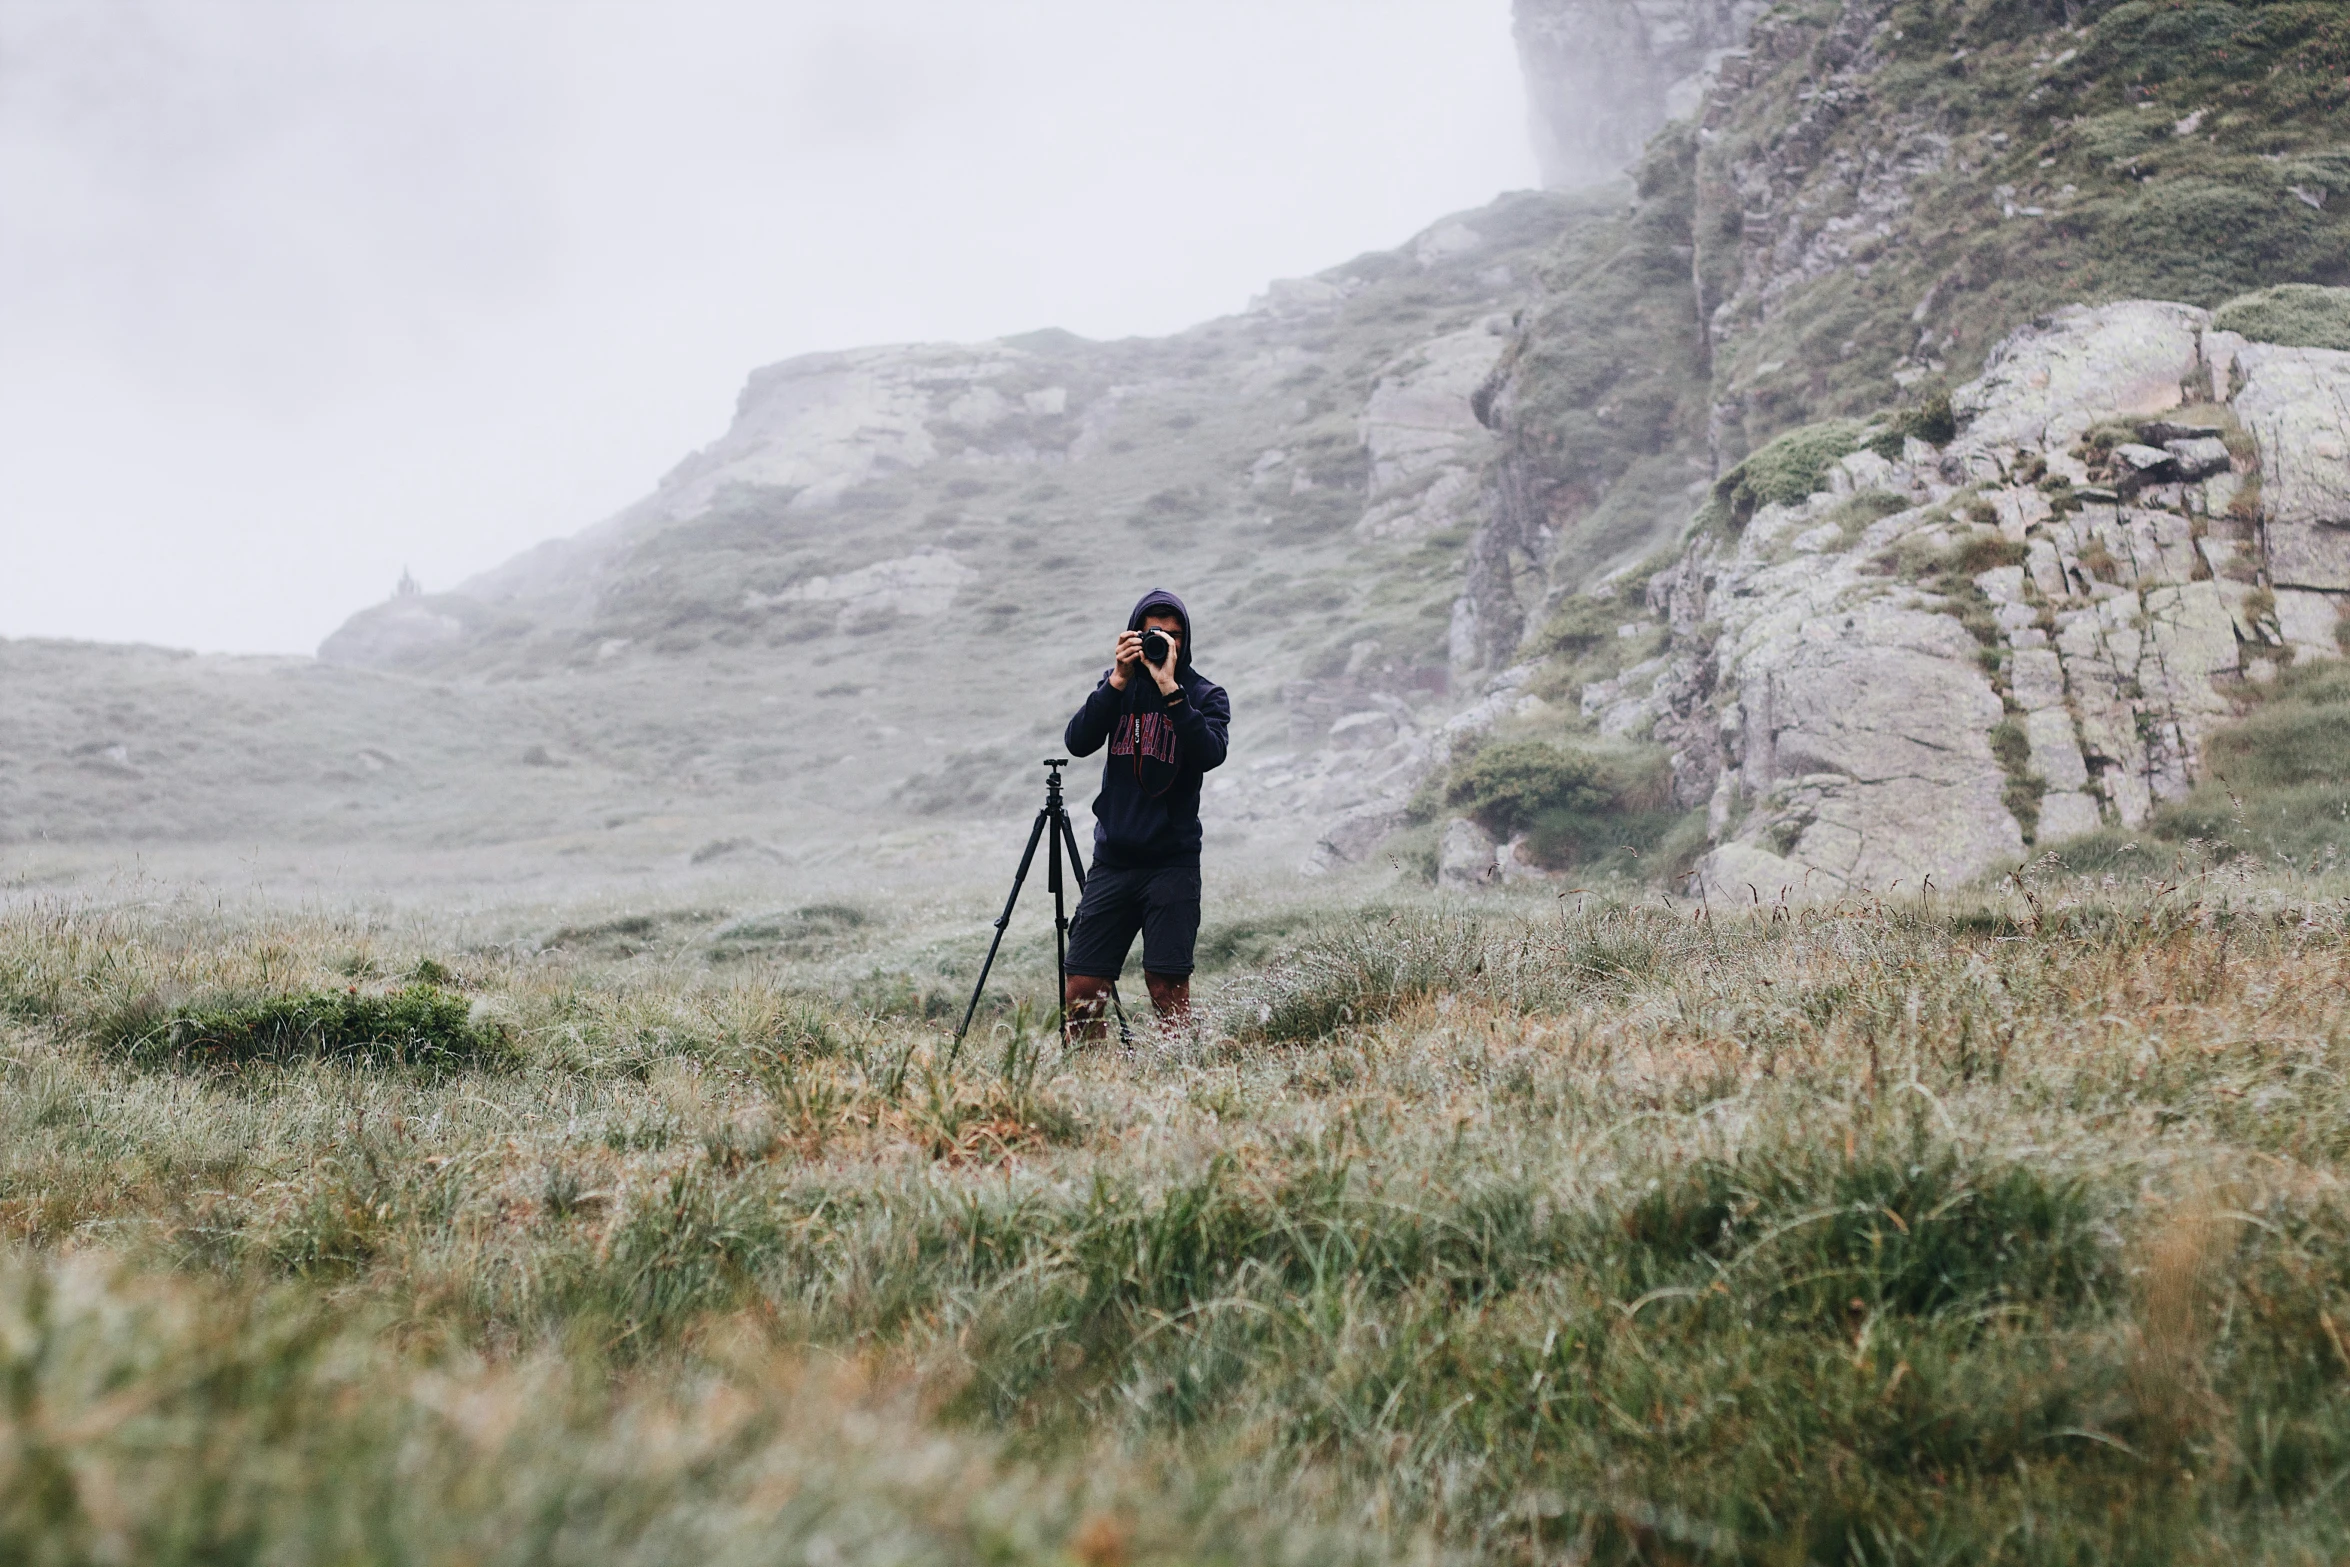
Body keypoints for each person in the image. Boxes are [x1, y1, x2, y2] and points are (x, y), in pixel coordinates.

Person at [1061, 588, 1231, 1032]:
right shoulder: (1116, 687)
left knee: (1166, 986)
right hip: (1113, 860)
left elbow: (1210, 753)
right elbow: (1077, 743)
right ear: (1135, 635)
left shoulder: (1205, 694)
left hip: (1171, 862)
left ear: (1186, 641)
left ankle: (1180, 1079)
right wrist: (1117, 680)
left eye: (1174, 637)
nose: (1165, 644)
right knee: (1081, 988)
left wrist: (1171, 691)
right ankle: (1092, 1084)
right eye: (1155, 635)